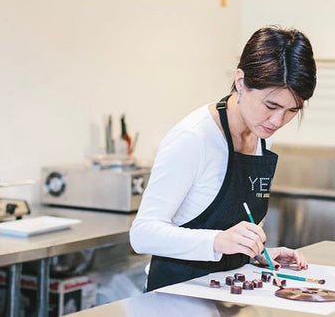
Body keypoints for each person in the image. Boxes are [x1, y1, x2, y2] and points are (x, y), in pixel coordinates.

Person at [129, 25, 317, 291]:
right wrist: (218, 242)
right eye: (271, 106)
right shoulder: (194, 138)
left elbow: (236, 223)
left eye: (291, 111)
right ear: (241, 81)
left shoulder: (261, 132)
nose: (277, 121)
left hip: (226, 295)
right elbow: (142, 234)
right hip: (176, 296)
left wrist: (255, 252)